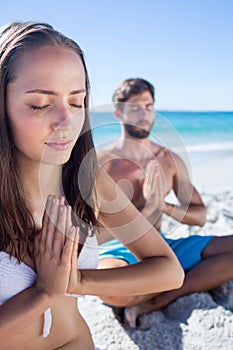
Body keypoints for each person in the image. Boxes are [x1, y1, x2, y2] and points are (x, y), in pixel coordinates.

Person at [0, 23, 184, 350]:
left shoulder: (85, 180)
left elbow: (169, 271)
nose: (66, 121)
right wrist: (44, 293)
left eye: (76, 102)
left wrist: (78, 281)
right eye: (40, 104)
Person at [97, 78, 233, 328]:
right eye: (136, 107)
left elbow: (199, 216)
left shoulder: (169, 161)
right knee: (108, 289)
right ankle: (192, 280)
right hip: (118, 250)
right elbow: (89, 229)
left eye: (149, 106)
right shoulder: (101, 163)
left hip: (164, 247)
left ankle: (160, 299)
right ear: (118, 112)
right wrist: (145, 208)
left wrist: (162, 205)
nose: (144, 114)